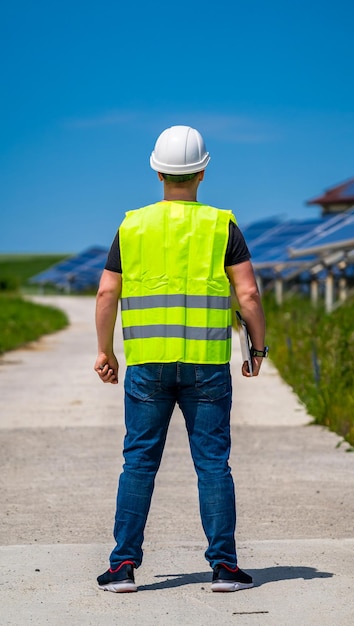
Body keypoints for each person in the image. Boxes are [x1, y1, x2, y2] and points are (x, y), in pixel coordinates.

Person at [94, 125, 267, 593]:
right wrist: (257, 348)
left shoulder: (132, 226)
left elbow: (108, 290)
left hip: (148, 364)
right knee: (213, 464)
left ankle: (123, 567)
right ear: (202, 171)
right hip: (207, 366)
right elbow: (248, 293)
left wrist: (106, 352)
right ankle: (225, 568)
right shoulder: (221, 225)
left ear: (157, 170)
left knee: (139, 464)